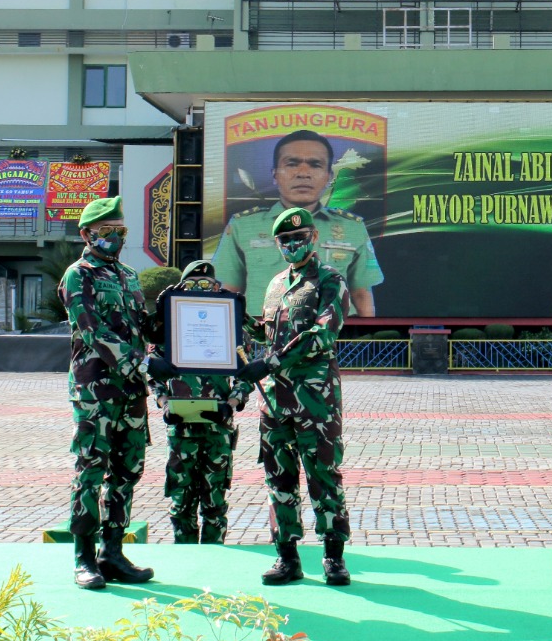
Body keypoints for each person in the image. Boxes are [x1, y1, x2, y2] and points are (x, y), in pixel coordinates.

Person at [234, 206, 352, 586]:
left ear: (313, 238)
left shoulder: (329, 281)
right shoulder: (274, 285)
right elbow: (269, 337)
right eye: (285, 240)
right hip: (274, 401)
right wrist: (235, 318)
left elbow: (321, 335)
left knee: (323, 475)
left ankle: (333, 556)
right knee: (278, 478)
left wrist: (269, 363)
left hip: (314, 399)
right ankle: (287, 557)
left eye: (298, 238)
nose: (292, 245)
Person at [58, 196, 154, 590]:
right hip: (95, 389)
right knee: (91, 470)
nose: (115, 239)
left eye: (121, 232)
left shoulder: (130, 276)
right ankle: (83, 557)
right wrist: (142, 364)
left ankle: (112, 552)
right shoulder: (78, 275)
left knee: (127, 471)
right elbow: (94, 331)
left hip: (131, 392)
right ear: (87, 234)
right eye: (107, 232)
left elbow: (142, 327)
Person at [213, 129, 383, 316]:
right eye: (292, 164)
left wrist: (366, 338)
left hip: (333, 337)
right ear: (275, 174)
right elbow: (229, 291)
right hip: (265, 338)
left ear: (329, 177)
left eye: (315, 165)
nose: (303, 173)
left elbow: (361, 294)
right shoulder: (243, 226)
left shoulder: (352, 227)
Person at [145, 260, 253, 545]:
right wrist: (163, 401)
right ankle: (185, 557)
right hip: (181, 431)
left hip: (218, 428)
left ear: (216, 287)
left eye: (206, 285)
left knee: (215, 504)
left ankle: (214, 560)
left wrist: (231, 403)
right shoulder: (169, 330)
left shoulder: (231, 329)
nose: (200, 290)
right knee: (181, 504)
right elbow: (152, 372)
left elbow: (247, 374)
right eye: (192, 285)